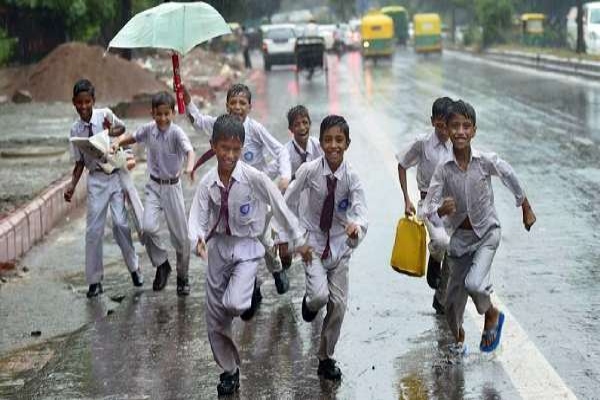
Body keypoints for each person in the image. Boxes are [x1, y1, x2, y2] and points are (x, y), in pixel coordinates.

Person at [188, 114, 307, 396]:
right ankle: (229, 371)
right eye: (224, 148)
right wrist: (199, 239)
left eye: (235, 149)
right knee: (214, 317)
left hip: (246, 247)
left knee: (233, 304)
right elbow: (196, 216)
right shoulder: (207, 183)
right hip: (218, 247)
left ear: (242, 148)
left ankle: (247, 294)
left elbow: (279, 204)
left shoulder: (253, 178)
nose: (229, 155)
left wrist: (297, 239)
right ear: (213, 146)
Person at [423, 100, 536, 355]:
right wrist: (440, 210)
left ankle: (492, 314)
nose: (460, 131)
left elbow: (508, 174)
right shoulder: (443, 169)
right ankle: (459, 341)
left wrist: (525, 206)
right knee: (451, 308)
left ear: (474, 130)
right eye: (455, 126)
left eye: (466, 126)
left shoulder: (484, 161)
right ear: (448, 130)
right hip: (460, 241)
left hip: (487, 233)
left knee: (475, 283)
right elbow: (426, 208)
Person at [182, 82, 292, 295]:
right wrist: (186, 99)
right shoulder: (220, 126)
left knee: (262, 238)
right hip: (229, 194)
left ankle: (277, 269)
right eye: (233, 102)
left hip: (254, 197)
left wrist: (285, 176)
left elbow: (280, 151)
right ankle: (254, 287)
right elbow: (198, 122)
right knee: (237, 242)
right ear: (226, 105)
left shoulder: (255, 129)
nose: (238, 107)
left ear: (250, 107)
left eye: (243, 103)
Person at [282, 115, 368, 380]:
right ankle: (309, 305)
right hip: (313, 245)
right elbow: (287, 202)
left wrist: (356, 228)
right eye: (328, 140)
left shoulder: (351, 177)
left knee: (339, 305)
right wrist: (287, 238)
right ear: (320, 143)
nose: (333, 146)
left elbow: (361, 212)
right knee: (319, 297)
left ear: (347, 143)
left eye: (339, 140)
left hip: (340, 247)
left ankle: (325, 357)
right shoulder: (309, 171)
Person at [64, 79, 143, 298]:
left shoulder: (105, 114)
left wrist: (110, 131)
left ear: (93, 101)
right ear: (73, 103)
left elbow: (122, 128)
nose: (83, 106)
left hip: (115, 175)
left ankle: (135, 268)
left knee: (120, 224)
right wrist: (71, 186)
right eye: (79, 103)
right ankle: (94, 281)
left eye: (87, 101)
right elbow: (79, 162)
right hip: (96, 180)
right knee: (93, 231)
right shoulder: (75, 129)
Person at [111, 91, 195, 296]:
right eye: (159, 114)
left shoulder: (176, 133)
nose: (163, 119)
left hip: (172, 187)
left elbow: (189, 151)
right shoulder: (149, 129)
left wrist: (190, 167)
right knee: (147, 228)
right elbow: (133, 136)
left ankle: (183, 277)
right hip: (154, 187)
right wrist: (117, 143)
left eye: (167, 114)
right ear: (152, 113)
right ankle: (162, 263)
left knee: (181, 238)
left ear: (173, 113)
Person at [396, 96, 453, 315]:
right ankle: (434, 261)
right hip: (428, 203)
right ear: (432, 122)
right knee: (440, 241)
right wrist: (406, 199)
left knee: (455, 252)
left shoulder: (457, 144)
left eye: (447, 125)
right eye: (439, 125)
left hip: (452, 205)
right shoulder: (422, 144)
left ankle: (440, 298)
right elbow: (401, 164)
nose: (444, 131)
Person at [276, 105, 323, 270]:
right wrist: (284, 180)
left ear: (310, 123)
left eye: (305, 122)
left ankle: (310, 286)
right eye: (297, 124)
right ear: (291, 128)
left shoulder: (319, 146)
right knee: (285, 257)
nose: (302, 127)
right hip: (290, 206)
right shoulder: (285, 152)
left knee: (311, 250)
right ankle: (279, 271)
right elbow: (277, 171)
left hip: (312, 205)